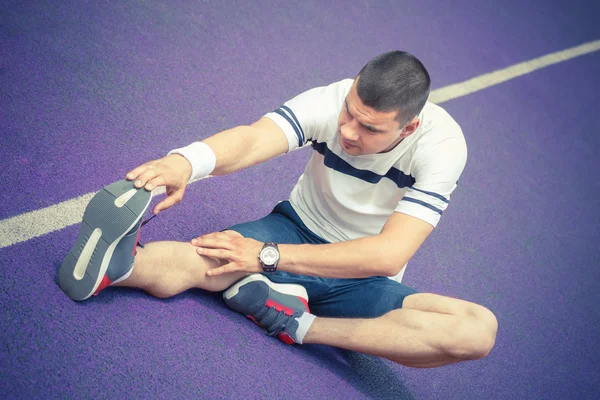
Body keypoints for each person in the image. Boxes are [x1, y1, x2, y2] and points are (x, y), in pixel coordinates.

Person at [59, 51, 497, 368]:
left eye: (368, 128)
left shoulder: (442, 146)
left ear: (410, 127)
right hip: (293, 230)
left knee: (475, 330)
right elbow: (253, 139)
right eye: (348, 112)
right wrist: (184, 163)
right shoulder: (333, 100)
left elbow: (387, 255)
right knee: (203, 261)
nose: (347, 130)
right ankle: (119, 268)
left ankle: (301, 324)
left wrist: (266, 257)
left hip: (361, 276)